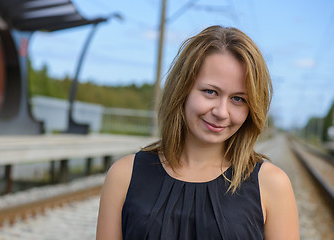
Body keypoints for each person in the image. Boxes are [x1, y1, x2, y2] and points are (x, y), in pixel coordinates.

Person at [96, 25, 299, 240]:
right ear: (182, 89)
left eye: (238, 99)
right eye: (210, 92)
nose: (222, 112)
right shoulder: (124, 176)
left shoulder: (272, 185)